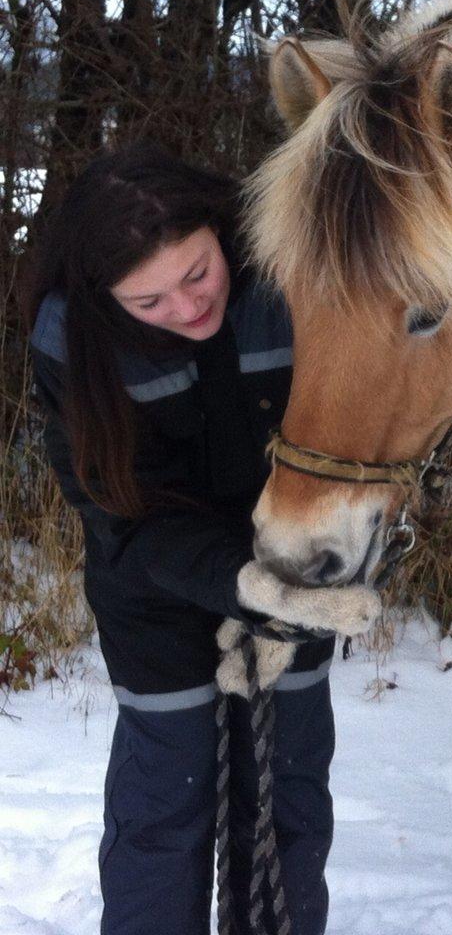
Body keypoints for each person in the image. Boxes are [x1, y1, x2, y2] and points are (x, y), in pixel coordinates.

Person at [27, 144, 382, 935]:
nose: (187, 308)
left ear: (220, 234)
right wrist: (241, 582)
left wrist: (322, 558)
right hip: (153, 592)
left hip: (298, 580)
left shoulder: (293, 276)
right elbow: (119, 515)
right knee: (166, 805)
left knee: (284, 796)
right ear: (103, 298)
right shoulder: (71, 342)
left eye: (197, 274)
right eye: (148, 301)